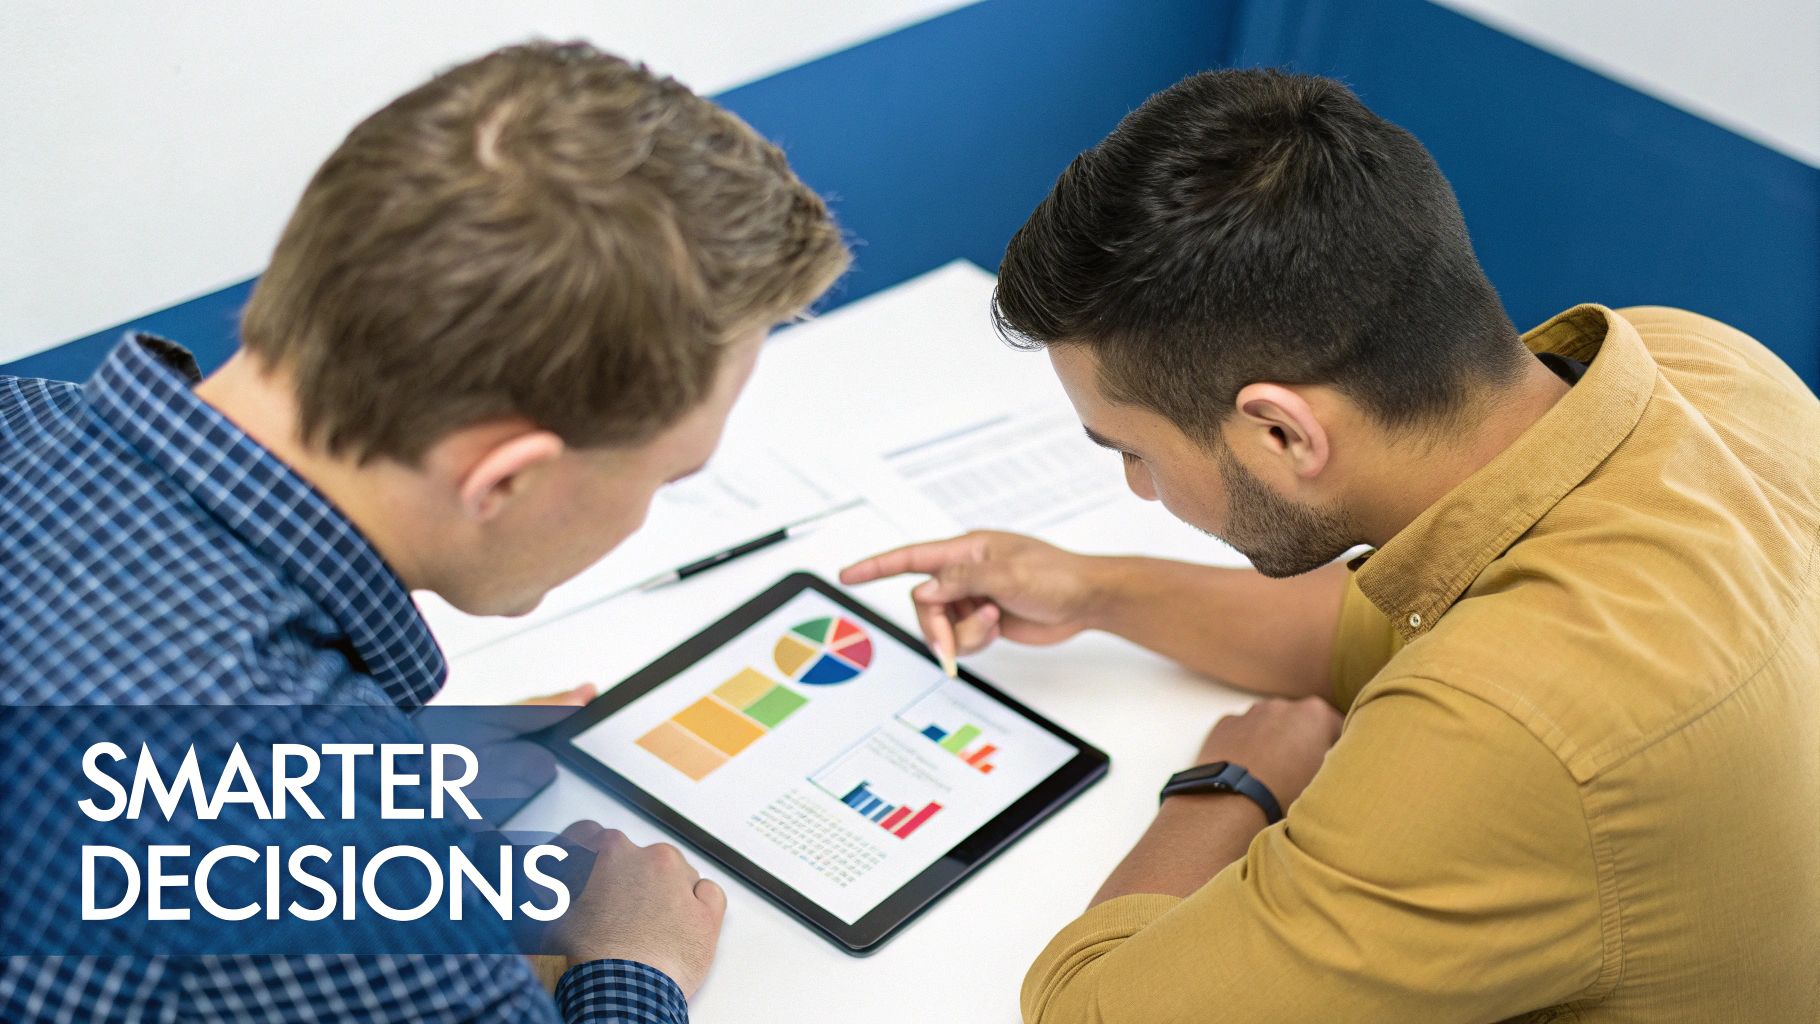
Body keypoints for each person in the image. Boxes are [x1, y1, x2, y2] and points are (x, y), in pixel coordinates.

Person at [843, 69, 1819, 1022]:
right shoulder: (1697, 362)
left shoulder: (1502, 730)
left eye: (1134, 451)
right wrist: (1093, 589)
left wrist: (1230, 786)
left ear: (1281, 432)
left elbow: (1086, 1014)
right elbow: (1387, 619)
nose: (1137, 486)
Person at [0, 42, 847, 1024]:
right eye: (668, 473)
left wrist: (370, 754)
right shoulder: (318, 849)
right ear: (506, 480)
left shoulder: (24, 411)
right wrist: (632, 957)